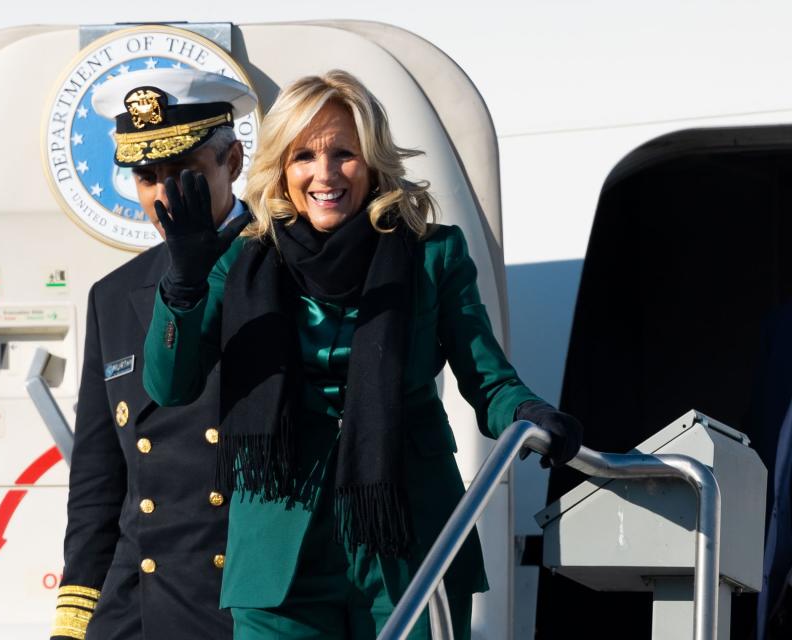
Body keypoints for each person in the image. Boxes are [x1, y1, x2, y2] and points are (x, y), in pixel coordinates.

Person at [142, 69, 582, 639]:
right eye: (303, 156)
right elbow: (169, 386)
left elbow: (489, 379)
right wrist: (182, 283)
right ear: (281, 169)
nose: (324, 174)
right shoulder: (241, 262)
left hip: (406, 530)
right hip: (281, 545)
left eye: (343, 154)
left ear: (372, 162)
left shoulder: (432, 255)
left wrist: (531, 416)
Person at [49, 68, 256, 640]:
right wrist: (75, 618)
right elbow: (97, 482)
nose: (164, 194)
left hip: (244, 601)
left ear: (233, 163)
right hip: (138, 603)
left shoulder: (282, 267)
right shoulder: (114, 295)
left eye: (184, 173)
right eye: (147, 176)